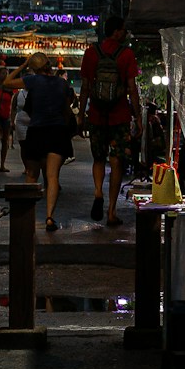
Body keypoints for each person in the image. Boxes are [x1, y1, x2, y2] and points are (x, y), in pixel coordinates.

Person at [79, 18, 141, 228]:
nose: (125, 34)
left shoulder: (91, 53)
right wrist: (138, 116)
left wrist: (81, 114)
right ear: (116, 32)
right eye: (123, 30)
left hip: (96, 115)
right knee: (116, 162)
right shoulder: (126, 54)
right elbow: (132, 88)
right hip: (119, 116)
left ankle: (98, 192)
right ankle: (112, 211)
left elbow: (86, 86)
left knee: (98, 158)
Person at [19, 52, 76, 231]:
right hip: (57, 131)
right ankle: (50, 217)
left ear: (34, 68)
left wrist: (22, 66)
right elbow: (67, 110)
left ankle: (28, 217)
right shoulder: (62, 83)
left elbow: (5, 83)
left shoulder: (33, 81)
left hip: (37, 131)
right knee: (52, 177)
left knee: (31, 175)